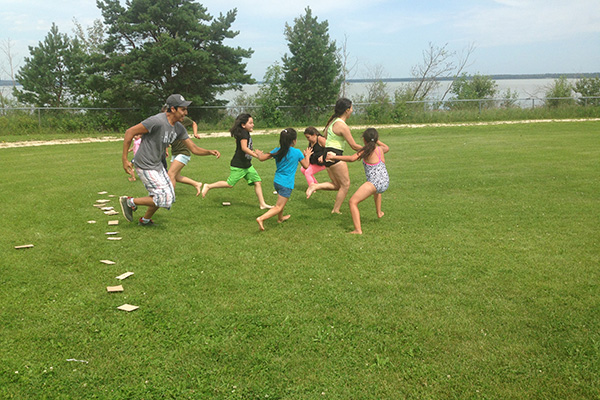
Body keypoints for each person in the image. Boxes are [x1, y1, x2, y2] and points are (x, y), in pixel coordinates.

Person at [119, 94, 221, 225]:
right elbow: (129, 132)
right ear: (173, 109)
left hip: (157, 164)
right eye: (183, 109)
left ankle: (145, 220)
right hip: (144, 164)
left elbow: (193, 149)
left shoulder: (179, 127)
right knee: (163, 198)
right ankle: (129, 202)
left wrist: (209, 152)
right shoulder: (156, 121)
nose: (186, 112)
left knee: (169, 196)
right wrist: (124, 159)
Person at [201, 113, 272, 209]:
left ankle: (262, 204)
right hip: (239, 165)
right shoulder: (244, 133)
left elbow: (243, 146)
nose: (253, 125)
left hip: (247, 165)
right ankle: (208, 186)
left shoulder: (243, 132)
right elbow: (244, 148)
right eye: (250, 123)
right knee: (229, 184)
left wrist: (255, 151)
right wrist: (256, 155)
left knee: (257, 181)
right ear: (243, 125)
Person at [326, 128, 389, 234]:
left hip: (374, 182)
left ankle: (357, 230)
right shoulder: (380, 149)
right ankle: (379, 213)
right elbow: (387, 147)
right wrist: (375, 140)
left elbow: (351, 158)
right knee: (377, 192)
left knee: (352, 202)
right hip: (385, 182)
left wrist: (334, 157)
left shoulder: (365, 151)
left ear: (364, 140)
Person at [305, 98, 362, 214]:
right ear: (347, 110)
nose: (352, 111)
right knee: (345, 185)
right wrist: (370, 149)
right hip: (335, 155)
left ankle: (315, 186)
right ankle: (335, 210)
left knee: (337, 185)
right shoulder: (342, 125)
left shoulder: (331, 123)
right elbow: (353, 145)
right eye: (351, 108)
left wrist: (325, 154)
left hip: (328, 155)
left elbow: (326, 137)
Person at [255, 128, 311, 231]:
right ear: (294, 141)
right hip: (286, 184)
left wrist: (258, 153)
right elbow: (306, 165)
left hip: (277, 182)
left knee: (281, 201)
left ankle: (280, 219)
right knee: (279, 206)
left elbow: (262, 158)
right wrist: (307, 155)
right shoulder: (297, 152)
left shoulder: (277, 151)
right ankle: (261, 218)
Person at [162, 105, 204, 196]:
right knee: (176, 177)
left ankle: (170, 196)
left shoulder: (182, 120)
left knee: (171, 174)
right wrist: (166, 149)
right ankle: (197, 184)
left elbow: (193, 123)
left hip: (183, 152)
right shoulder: (165, 124)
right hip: (175, 152)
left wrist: (195, 133)